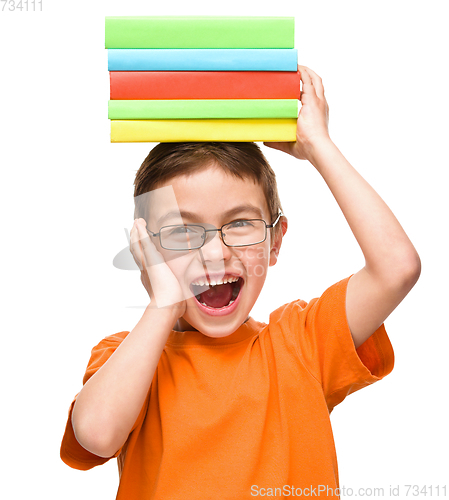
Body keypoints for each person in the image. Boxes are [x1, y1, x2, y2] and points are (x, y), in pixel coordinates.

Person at [60, 66, 421, 499]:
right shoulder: (129, 357)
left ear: (275, 240)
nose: (215, 253)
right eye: (182, 231)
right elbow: (97, 434)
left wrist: (318, 145)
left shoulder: (302, 345)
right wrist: (162, 304)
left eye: (241, 224)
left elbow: (397, 267)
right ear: (145, 250)